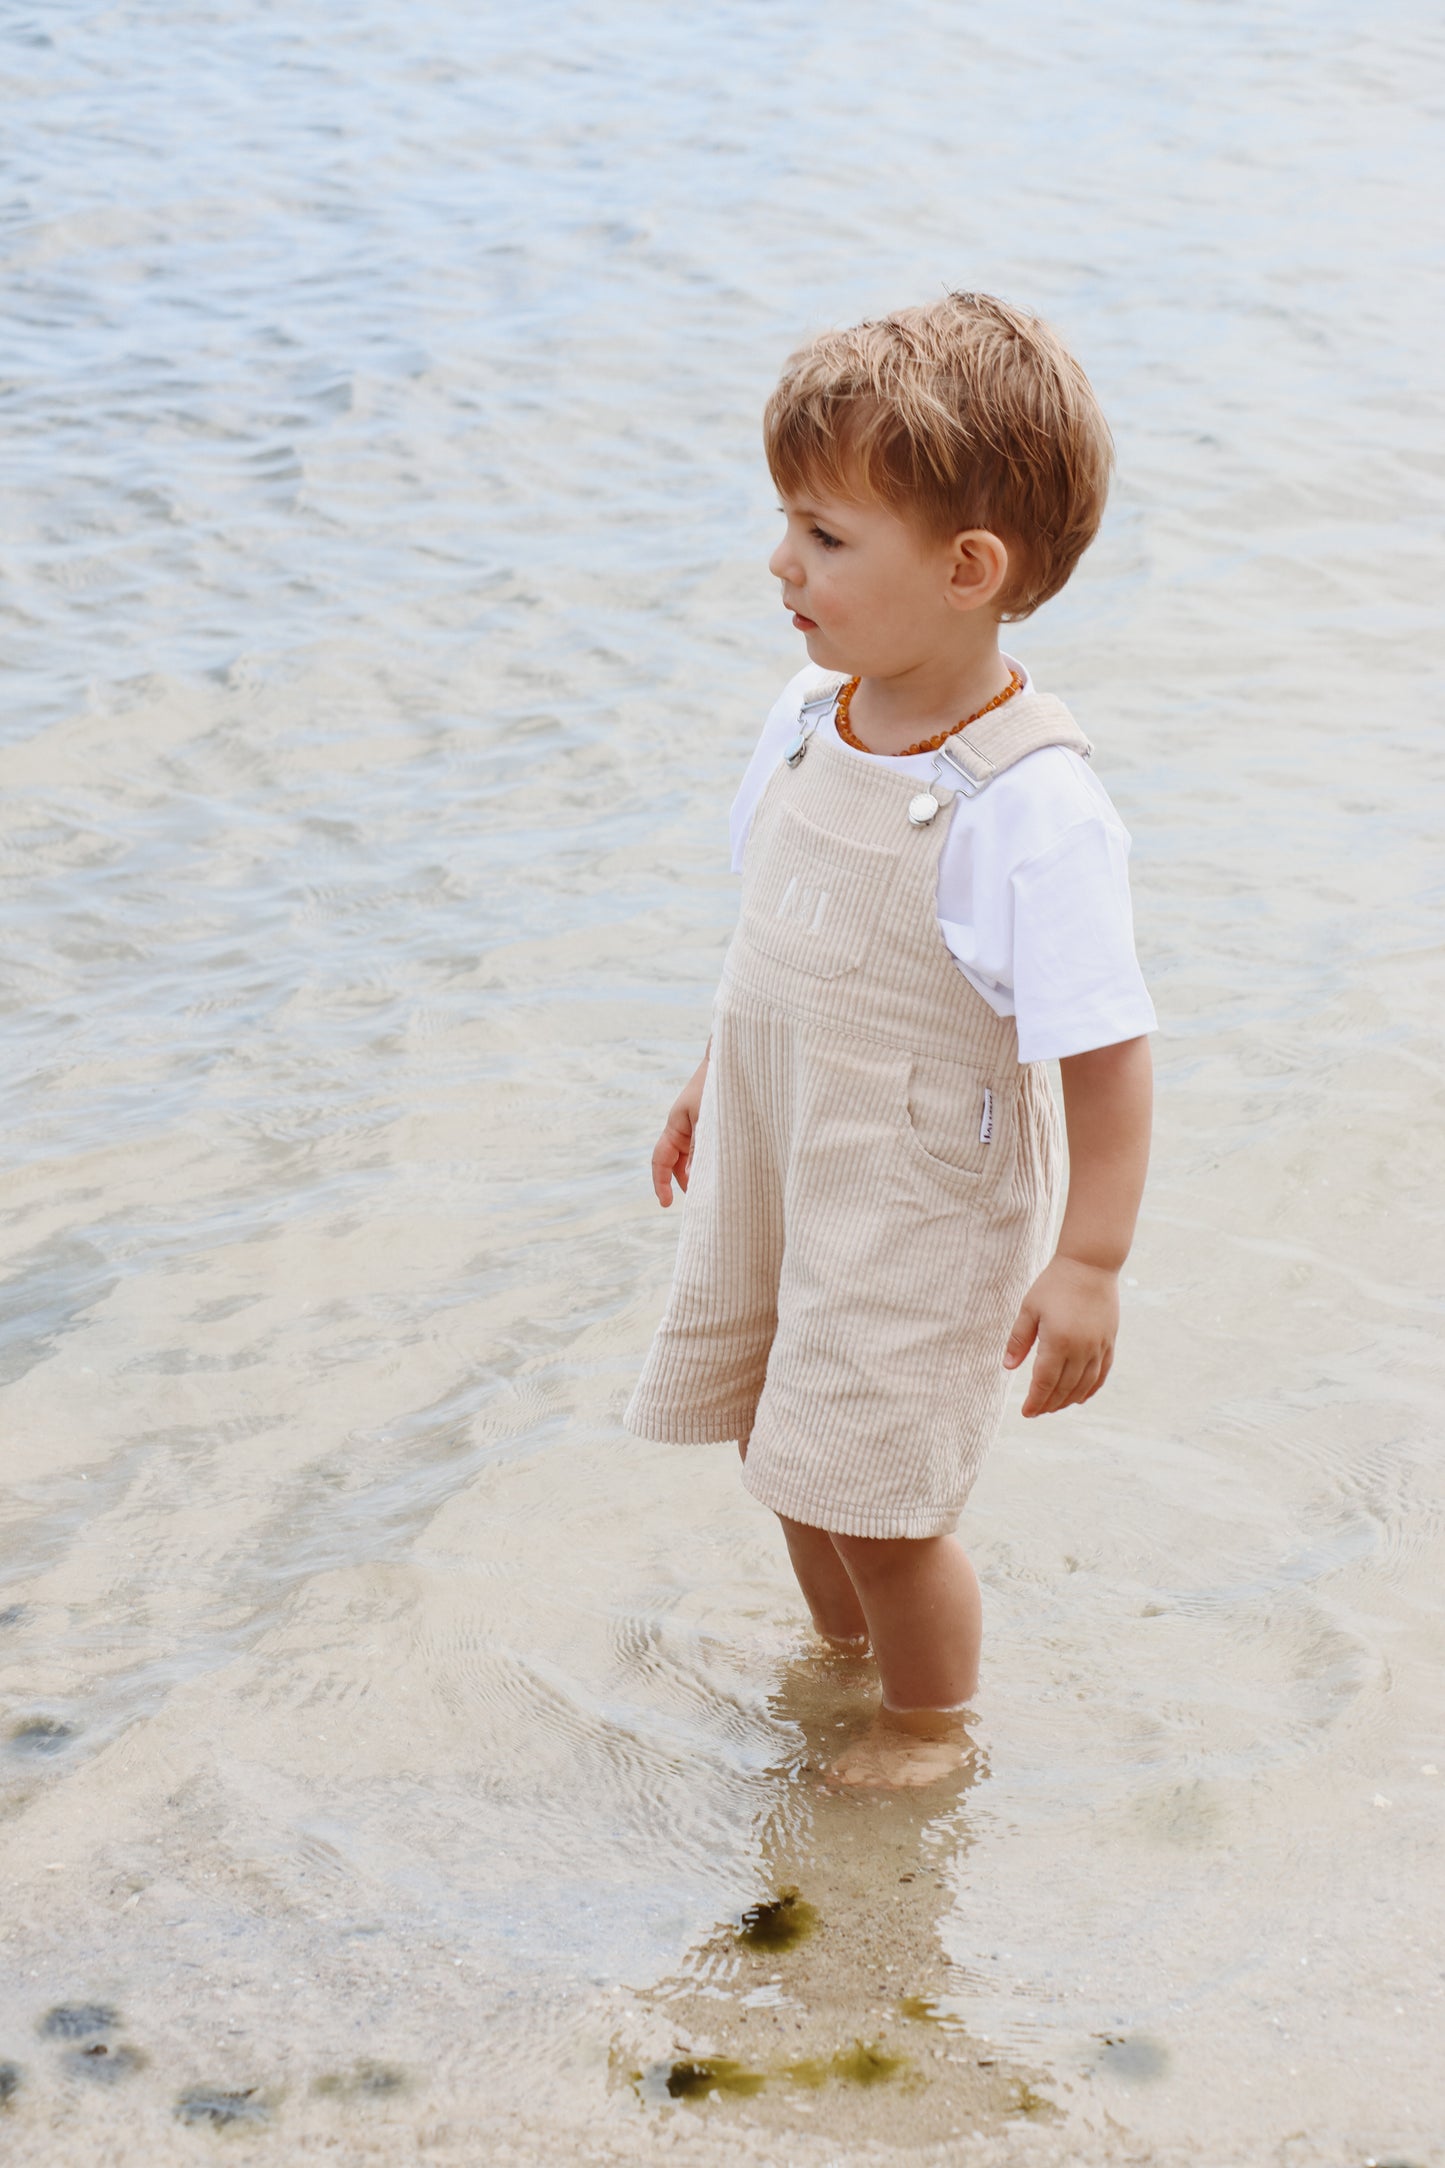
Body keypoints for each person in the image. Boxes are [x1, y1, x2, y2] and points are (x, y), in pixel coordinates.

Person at [625, 294, 1155, 1788]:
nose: (779, 562)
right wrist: (705, 1085)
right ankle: (843, 1658)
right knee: (778, 1440)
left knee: (880, 1489)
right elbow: (777, 953)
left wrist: (1090, 1262)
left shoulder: (1025, 803)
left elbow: (1104, 1047)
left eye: (823, 535)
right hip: (783, 1142)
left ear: (966, 569)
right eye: (784, 521)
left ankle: (929, 1725)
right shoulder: (808, 717)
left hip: (912, 1191)